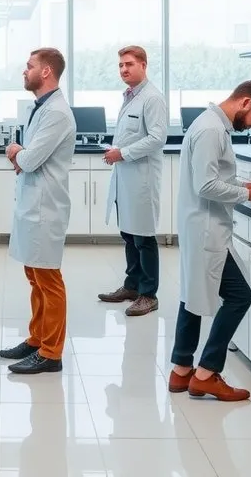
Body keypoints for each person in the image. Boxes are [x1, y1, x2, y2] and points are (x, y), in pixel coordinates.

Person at [168, 81, 251, 402]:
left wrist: (246, 184)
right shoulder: (213, 131)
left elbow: (217, 176)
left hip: (199, 226)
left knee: (192, 296)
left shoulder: (211, 125)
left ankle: (181, 369)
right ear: (245, 103)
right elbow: (206, 185)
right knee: (240, 296)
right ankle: (207, 374)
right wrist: (248, 194)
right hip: (206, 230)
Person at [0, 47, 76, 375]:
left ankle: (51, 352)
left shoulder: (56, 112)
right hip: (34, 204)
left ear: (46, 72)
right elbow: (29, 159)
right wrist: (23, 155)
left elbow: (28, 159)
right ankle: (36, 338)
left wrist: (16, 150)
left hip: (45, 207)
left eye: (29, 66)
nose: (24, 71)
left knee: (48, 278)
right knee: (35, 276)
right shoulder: (42, 107)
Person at [97, 45, 169, 317]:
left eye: (129, 64)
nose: (124, 69)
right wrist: (118, 151)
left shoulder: (152, 98)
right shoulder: (130, 97)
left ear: (143, 65)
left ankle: (149, 294)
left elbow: (157, 138)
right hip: (126, 177)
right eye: (120, 66)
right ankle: (132, 285)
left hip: (142, 179)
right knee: (128, 234)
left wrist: (122, 153)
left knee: (143, 237)